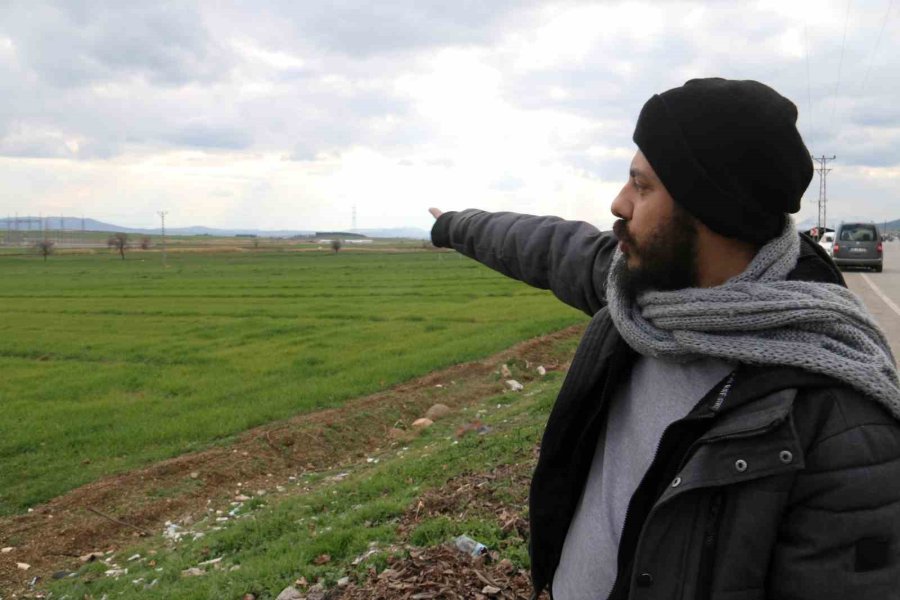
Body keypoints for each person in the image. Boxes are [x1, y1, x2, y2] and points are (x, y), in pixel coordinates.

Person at [428, 78, 900, 599]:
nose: (618, 202)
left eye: (642, 185)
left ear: (711, 209)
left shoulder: (837, 423)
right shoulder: (642, 298)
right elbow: (548, 246)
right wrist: (455, 225)